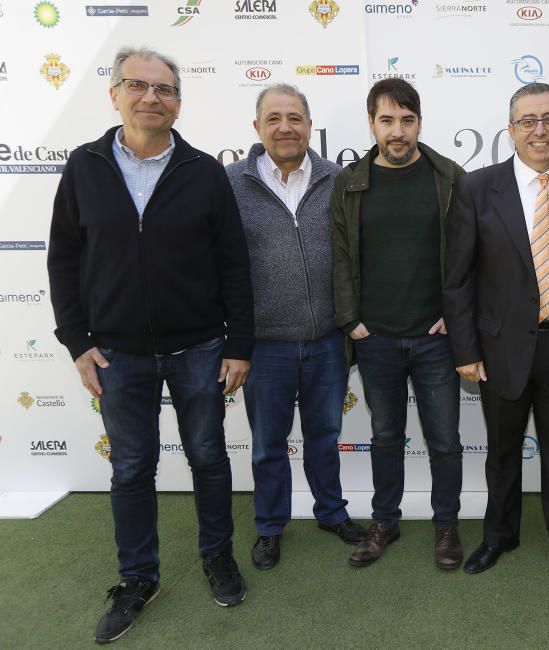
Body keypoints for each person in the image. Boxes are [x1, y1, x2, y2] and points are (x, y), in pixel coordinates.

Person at [47, 47, 255, 643]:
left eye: (163, 89)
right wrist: (76, 342)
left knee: (210, 459)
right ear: (114, 94)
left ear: (178, 102)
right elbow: (63, 258)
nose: (151, 97)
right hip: (118, 354)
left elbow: (233, 265)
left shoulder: (203, 171)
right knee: (132, 468)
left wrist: (238, 345)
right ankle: (138, 578)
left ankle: (217, 556)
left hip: (198, 350)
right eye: (137, 85)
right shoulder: (84, 166)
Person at [443, 83, 549, 591]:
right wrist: (465, 350)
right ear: (510, 130)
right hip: (499, 346)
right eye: (529, 120)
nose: (540, 129)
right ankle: (498, 536)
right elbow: (457, 278)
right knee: (502, 450)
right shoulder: (475, 187)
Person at [225, 84, 366, 572]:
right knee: (267, 445)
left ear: (309, 125)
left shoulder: (338, 178)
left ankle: (331, 513)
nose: (285, 127)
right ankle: (269, 528)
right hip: (264, 346)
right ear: (258, 127)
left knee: (325, 436)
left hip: (328, 340)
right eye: (274, 118)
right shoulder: (231, 184)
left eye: (294, 118)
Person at [331, 78, 466, 570]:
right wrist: (351, 322)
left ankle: (446, 524)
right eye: (387, 120)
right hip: (377, 340)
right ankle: (384, 521)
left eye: (407, 120)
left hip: (436, 341)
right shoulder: (349, 184)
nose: (398, 131)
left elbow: (470, 256)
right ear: (372, 124)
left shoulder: (449, 177)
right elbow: (340, 259)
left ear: (419, 123)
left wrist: (455, 314)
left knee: (445, 439)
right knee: (386, 436)